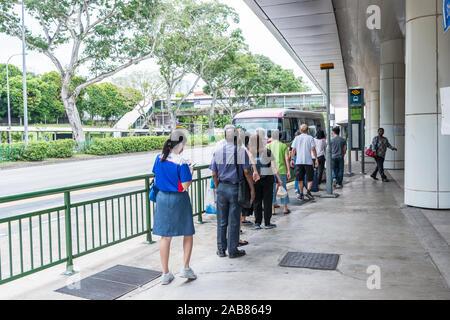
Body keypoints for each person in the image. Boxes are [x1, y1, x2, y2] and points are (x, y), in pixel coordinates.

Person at [151, 129, 196, 285]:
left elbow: (156, 175)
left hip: (162, 198)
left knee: (165, 236)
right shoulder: (181, 162)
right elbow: (185, 186)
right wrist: (190, 171)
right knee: (187, 232)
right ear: (181, 145)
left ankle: (165, 274)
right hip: (178, 199)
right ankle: (185, 267)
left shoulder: (159, 158)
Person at [210, 125, 255, 259]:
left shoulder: (217, 152)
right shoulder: (241, 151)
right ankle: (233, 250)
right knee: (234, 220)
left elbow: (214, 173)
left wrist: (219, 187)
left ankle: (221, 249)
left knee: (222, 221)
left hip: (222, 188)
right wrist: (252, 189)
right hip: (235, 188)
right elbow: (247, 172)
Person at [248, 131, 282, 229]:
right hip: (268, 179)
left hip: (255, 180)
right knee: (267, 201)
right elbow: (273, 167)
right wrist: (279, 179)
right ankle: (267, 223)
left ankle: (257, 223)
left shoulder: (250, 153)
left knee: (257, 201)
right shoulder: (267, 152)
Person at [291, 124, 318, 201]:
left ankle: (301, 194)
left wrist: (292, 159)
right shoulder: (310, 138)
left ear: (300, 130)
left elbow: (293, 150)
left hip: (299, 162)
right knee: (310, 178)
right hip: (308, 161)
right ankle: (308, 191)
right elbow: (313, 149)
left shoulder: (296, 138)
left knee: (300, 179)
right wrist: (316, 159)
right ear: (307, 130)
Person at [267, 129, 291, 214]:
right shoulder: (283, 146)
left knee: (272, 190)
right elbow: (286, 159)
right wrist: (288, 171)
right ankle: (285, 208)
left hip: (270, 171)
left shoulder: (268, 146)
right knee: (283, 188)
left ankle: (272, 210)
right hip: (281, 170)